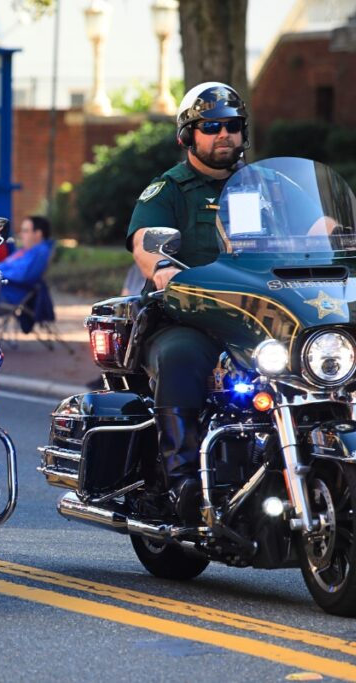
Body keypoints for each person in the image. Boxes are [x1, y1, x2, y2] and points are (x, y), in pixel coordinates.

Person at [126, 81, 250, 522]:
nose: (223, 134)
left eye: (232, 125)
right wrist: (163, 269)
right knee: (179, 357)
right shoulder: (169, 190)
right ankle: (181, 479)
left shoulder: (265, 189)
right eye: (210, 125)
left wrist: (336, 240)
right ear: (188, 135)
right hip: (185, 318)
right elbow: (145, 243)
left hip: (257, 319)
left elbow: (314, 227)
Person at [0, 215, 54, 307]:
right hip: (2, 289)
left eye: (25, 231)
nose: (21, 234)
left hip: (9, 292)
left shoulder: (40, 252)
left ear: (38, 234)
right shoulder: (26, 250)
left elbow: (23, 275)